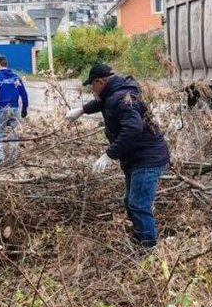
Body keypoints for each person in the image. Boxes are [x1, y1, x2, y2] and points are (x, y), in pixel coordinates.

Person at [64, 63, 170, 248]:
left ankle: (149, 249)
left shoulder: (120, 98)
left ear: (101, 81)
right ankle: (140, 237)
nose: (92, 90)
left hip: (147, 158)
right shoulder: (116, 91)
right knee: (130, 201)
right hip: (136, 157)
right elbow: (102, 102)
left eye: (92, 85)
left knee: (138, 204)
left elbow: (133, 128)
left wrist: (108, 155)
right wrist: (82, 111)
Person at [0, 55, 29, 166]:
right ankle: (13, 160)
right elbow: (24, 94)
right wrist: (24, 108)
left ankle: (0, 161)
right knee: (13, 134)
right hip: (14, 110)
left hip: (0, 109)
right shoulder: (16, 77)